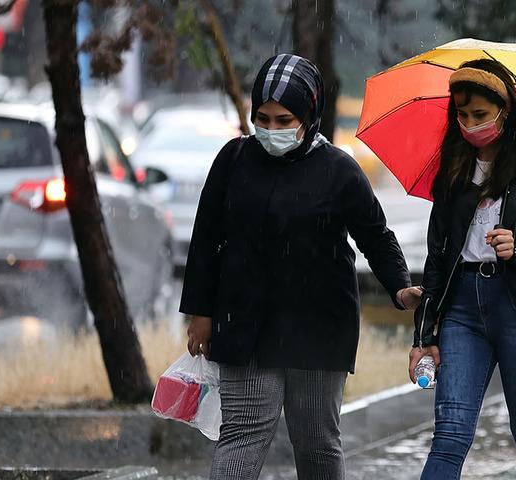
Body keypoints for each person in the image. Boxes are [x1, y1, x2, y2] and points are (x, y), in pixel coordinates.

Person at [181, 54, 422, 480]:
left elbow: (375, 235)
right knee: (242, 433)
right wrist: (200, 314)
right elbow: (206, 239)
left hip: (318, 327)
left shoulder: (338, 170)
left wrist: (399, 287)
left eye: (284, 119)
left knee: (316, 441)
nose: (272, 130)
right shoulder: (235, 160)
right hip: (244, 323)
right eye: (263, 118)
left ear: (309, 116)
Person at [408, 58, 516, 480]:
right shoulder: (453, 167)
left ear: (506, 111)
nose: (470, 124)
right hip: (463, 310)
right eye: (462, 115)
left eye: (480, 115)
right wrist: (424, 335)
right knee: (449, 436)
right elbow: (438, 259)